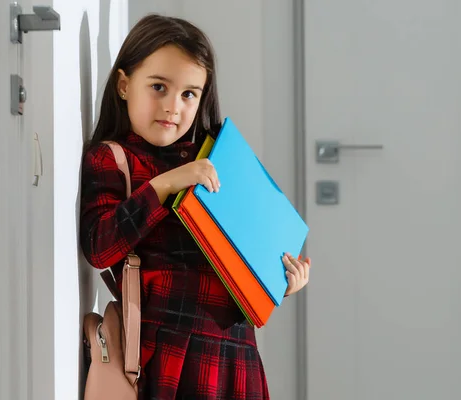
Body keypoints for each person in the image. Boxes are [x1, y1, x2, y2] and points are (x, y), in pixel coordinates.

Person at [79, 13, 312, 400]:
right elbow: (99, 247)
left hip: (234, 352)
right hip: (168, 350)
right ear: (124, 85)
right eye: (158, 87)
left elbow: (239, 254)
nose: (173, 107)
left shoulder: (214, 159)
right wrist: (164, 185)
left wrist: (280, 282)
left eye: (189, 94)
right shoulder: (114, 158)